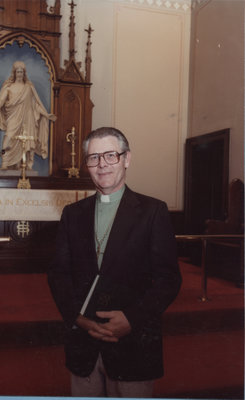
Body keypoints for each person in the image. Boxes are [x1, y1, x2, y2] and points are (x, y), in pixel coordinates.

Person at [48, 127, 182, 398]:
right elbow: (58, 274)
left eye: (110, 155)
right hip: (84, 344)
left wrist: (132, 319)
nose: (102, 165)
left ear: (126, 159)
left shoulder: (153, 211)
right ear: (86, 164)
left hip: (133, 343)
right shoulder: (73, 214)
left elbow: (169, 280)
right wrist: (78, 318)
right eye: (94, 157)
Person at [0, 60, 56, 170]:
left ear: (24, 74)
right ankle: (5, 162)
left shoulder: (29, 88)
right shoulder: (8, 87)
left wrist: (46, 115)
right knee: (8, 137)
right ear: (14, 73)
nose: (19, 74)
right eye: (18, 72)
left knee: (28, 141)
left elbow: (36, 105)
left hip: (27, 118)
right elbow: (0, 102)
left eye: (21, 72)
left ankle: (25, 164)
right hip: (13, 118)